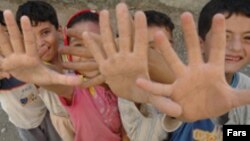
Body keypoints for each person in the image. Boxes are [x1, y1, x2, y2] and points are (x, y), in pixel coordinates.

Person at [165, 0, 250, 140]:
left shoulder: (246, 90)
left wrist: (227, 132)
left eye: (247, 37)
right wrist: (175, 114)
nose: (236, 47)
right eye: (223, 36)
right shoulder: (172, 84)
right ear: (201, 44)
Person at [15, 1, 74, 141]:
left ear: (59, 31)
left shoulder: (72, 55)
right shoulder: (35, 68)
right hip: (62, 121)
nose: (40, 43)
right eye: (31, 38)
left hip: (86, 112)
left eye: (45, 32)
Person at [0, 8, 62, 141]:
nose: (2, 40)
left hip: (45, 112)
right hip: (22, 122)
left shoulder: (29, 53)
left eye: (6, 33)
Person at [117, 10, 177, 141]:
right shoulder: (129, 94)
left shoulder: (185, 78)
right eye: (150, 49)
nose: (161, 56)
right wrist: (176, 114)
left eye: (167, 47)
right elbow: (141, 137)